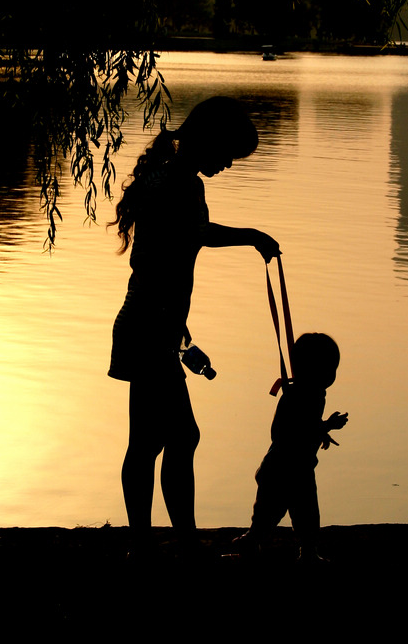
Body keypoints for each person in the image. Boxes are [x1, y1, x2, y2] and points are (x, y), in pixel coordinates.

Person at [108, 96, 280, 557]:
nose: (226, 165)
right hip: (148, 328)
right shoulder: (173, 181)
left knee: (156, 439)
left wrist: (182, 340)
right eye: (226, 155)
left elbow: (184, 244)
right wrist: (251, 237)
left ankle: (160, 542)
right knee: (168, 439)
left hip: (153, 328)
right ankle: (168, 542)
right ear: (209, 141)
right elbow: (153, 262)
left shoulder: (178, 178)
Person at [236, 332, 348, 564]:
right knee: (284, 512)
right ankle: (260, 542)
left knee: (289, 513)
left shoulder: (308, 393)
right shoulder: (302, 395)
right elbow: (292, 431)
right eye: (330, 369)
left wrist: (321, 431)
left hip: (291, 466)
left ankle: (295, 549)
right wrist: (326, 426)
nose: (332, 375)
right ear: (315, 370)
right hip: (287, 468)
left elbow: (302, 427)